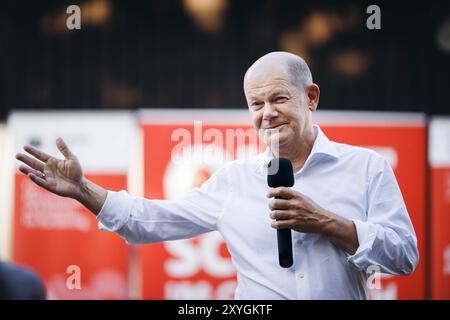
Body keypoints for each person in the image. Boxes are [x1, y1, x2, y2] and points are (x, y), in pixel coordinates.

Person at [15, 51, 418, 299]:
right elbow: (148, 221)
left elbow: (404, 256)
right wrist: (82, 189)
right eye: (255, 103)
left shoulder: (367, 167)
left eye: (278, 98)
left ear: (310, 97)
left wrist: (328, 223)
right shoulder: (235, 180)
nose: (267, 113)